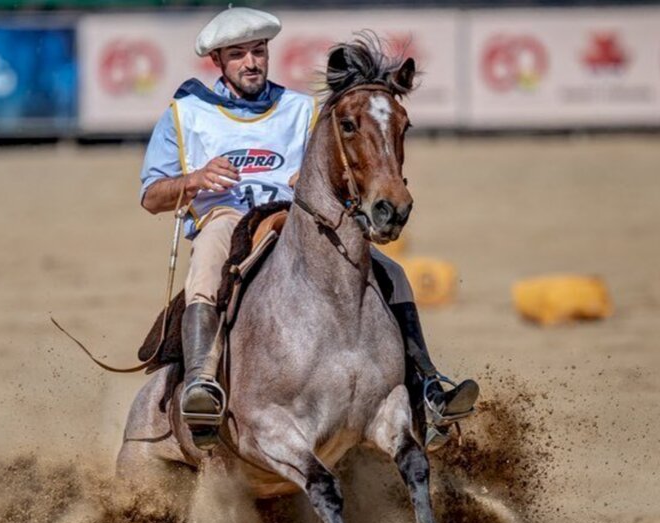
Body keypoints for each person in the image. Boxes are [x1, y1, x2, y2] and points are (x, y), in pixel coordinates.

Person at [139, 7, 478, 449]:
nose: (252, 62)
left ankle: (429, 386)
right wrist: (194, 179)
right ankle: (203, 384)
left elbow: (335, 166)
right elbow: (151, 196)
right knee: (205, 272)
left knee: (391, 272)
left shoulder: (301, 110)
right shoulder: (187, 114)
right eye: (238, 54)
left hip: (295, 217)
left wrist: (314, 179)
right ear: (218, 60)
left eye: (258, 51)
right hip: (225, 219)